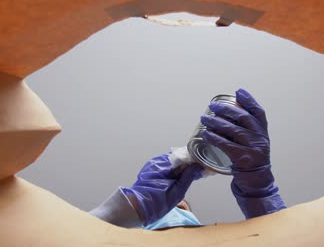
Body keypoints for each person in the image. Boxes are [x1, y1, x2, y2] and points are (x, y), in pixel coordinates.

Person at [89, 88, 286, 230]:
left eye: (179, 206)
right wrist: (130, 209)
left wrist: (260, 196)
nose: (170, 212)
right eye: (161, 209)